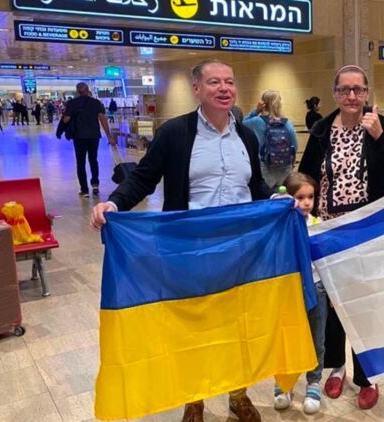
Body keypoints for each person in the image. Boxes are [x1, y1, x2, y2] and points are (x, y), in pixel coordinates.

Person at [90, 59, 272, 422]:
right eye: (214, 82)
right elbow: (143, 178)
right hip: (192, 250)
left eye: (229, 81)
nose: (224, 88)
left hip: (240, 249)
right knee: (195, 326)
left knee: (238, 325)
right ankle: (194, 399)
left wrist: (280, 201)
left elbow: (255, 187)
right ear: (197, 89)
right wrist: (114, 202)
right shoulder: (175, 133)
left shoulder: (247, 136)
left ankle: (238, 395)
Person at [298, 64, 384, 410]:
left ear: (366, 92)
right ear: (335, 93)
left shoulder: (380, 124)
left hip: (366, 233)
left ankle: (367, 374)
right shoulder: (321, 130)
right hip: (329, 232)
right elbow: (306, 176)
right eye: (344, 89)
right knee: (332, 304)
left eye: (358, 89)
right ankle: (337, 366)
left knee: (365, 304)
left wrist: (380, 137)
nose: (351, 96)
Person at [272, 172, 326, 415]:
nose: (306, 202)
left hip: (316, 288)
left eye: (310, 197)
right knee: (286, 337)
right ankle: (285, 382)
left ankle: (314, 383)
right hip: (288, 291)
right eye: (300, 197)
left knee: (316, 339)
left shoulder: (318, 224)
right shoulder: (279, 227)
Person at [59, 83, 114, 198]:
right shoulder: (96, 103)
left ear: (77, 91)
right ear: (88, 90)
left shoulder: (72, 103)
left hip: (79, 136)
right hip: (94, 136)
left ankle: (84, 190)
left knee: (81, 162)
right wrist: (109, 135)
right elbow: (102, 119)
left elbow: (66, 119)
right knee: (93, 160)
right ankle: (95, 185)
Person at [243, 90, 299, 189]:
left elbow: (242, 123)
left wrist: (256, 111)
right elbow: (295, 146)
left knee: (266, 195)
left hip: (265, 167)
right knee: (284, 195)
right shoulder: (287, 123)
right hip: (285, 168)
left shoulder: (257, 121)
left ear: (263, 104)